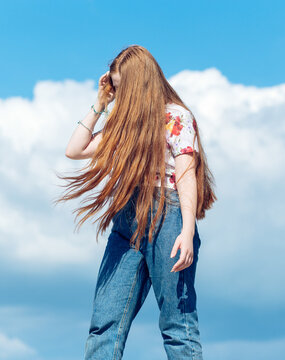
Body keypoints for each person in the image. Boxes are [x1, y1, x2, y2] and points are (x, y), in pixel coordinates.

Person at [54, 44, 216, 360]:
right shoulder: (123, 125)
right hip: (127, 219)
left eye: (121, 84)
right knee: (104, 324)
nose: (118, 91)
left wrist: (186, 230)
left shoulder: (177, 117)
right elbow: (74, 150)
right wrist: (101, 102)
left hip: (168, 217)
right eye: (115, 85)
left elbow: (185, 176)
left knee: (177, 327)